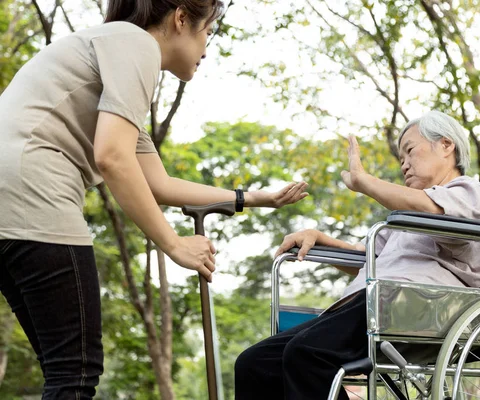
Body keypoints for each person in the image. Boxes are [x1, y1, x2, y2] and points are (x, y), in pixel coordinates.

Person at [0, 0, 308, 398]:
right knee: (75, 371)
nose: (207, 48)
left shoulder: (110, 55)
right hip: (34, 188)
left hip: (11, 198)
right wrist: (175, 244)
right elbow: (112, 157)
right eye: (207, 32)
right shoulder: (136, 44)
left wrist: (256, 197)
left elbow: (158, 182)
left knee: (63, 367)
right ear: (180, 19)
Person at [234, 110, 480, 399]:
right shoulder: (405, 219)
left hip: (417, 303)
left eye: (409, 152)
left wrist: (364, 181)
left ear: (447, 145)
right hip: (375, 300)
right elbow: (365, 258)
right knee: (255, 363)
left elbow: (432, 209)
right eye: (401, 160)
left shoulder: (469, 191)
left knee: (308, 354)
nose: (405, 165)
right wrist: (320, 239)